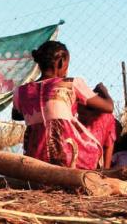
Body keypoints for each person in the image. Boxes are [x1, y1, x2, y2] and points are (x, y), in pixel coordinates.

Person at [12, 40, 113, 170]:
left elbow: (16, 115)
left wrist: (38, 108)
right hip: (70, 159)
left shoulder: (20, 91)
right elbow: (108, 107)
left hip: (35, 159)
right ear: (61, 62)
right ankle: (100, 169)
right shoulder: (71, 83)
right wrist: (104, 91)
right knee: (103, 125)